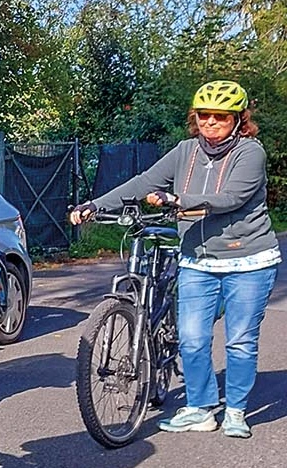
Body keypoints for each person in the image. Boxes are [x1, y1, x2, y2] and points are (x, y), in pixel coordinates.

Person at [71, 79, 278, 438]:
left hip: (249, 260)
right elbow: (144, 182)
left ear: (239, 120)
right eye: (203, 116)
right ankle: (200, 408)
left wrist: (177, 200)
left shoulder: (250, 152)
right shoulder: (185, 151)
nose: (210, 123)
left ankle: (236, 411)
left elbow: (231, 197)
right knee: (192, 337)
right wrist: (95, 205)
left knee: (240, 340)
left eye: (220, 117)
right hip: (198, 259)